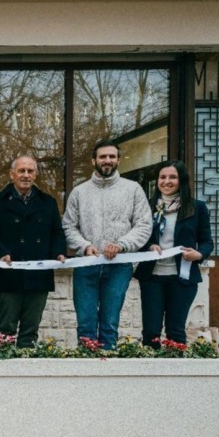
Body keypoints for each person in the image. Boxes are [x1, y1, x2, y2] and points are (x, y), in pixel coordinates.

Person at [62, 140, 151, 350]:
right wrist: (85, 246)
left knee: (110, 324)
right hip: (86, 265)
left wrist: (122, 244)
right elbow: (68, 226)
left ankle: (108, 363)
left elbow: (144, 225)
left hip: (119, 265)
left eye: (112, 156)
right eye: (103, 157)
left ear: (118, 160)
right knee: (85, 324)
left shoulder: (133, 189)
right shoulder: (79, 192)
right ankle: (86, 363)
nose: (107, 160)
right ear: (94, 160)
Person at [0, 155, 67, 348]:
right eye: (21, 171)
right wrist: (0, 252)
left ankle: (28, 363)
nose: (26, 175)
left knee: (31, 330)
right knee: (6, 328)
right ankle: (3, 361)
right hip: (8, 275)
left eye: (30, 171)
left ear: (35, 175)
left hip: (39, 275)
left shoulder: (48, 202)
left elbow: (57, 232)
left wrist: (59, 252)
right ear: (12, 174)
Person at [133, 160, 213, 347]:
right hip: (152, 277)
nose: (166, 181)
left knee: (175, 331)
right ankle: (150, 365)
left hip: (182, 278)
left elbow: (207, 242)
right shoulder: (146, 206)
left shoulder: (197, 207)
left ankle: (176, 364)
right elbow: (137, 238)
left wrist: (199, 254)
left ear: (181, 180)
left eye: (172, 177)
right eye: (162, 177)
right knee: (151, 332)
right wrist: (149, 246)